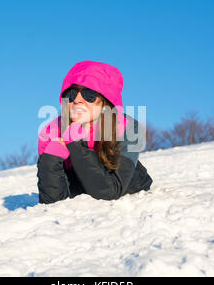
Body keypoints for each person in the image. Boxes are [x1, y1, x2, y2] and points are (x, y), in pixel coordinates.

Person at [37, 60, 153, 204]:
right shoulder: (52, 132)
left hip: (130, 201)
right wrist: (51, 158)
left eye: (89, 93)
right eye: (71, 93)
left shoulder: (126, 128)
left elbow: (110, 192)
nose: (78, 100)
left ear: (106, 101)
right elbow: (52, 202)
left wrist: (75, 143)